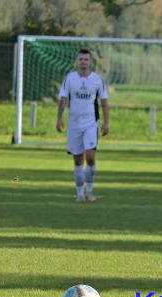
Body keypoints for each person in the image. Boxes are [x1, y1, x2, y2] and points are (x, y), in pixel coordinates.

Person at [56, 49, 109, 202]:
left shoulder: (98, 80)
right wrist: (59, 119)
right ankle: (80, 193)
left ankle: (90, 191)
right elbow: (63, 100)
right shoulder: (69, 79)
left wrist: (106, 123)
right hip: (74, 124)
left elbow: (104, 103)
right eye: (81, 59)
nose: (84, 62)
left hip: (91, 123)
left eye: (86, 59)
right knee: (78, 159)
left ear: (90, 62)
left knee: (90, 156)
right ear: (77, 61)